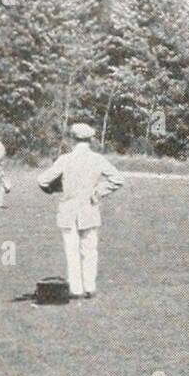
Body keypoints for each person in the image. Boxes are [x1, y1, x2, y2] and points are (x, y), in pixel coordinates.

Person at [37, 123, 124, 299]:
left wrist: (57, 187)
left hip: (68, 210)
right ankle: (89, 287)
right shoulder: (97, 159)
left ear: (72, 139)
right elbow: (117, 179)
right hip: (89, 208)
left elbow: (42, 181)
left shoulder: (65, 159)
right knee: (90, 250)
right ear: (90, 140)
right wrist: (98, 191)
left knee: (72, 251)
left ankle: (75, 289)